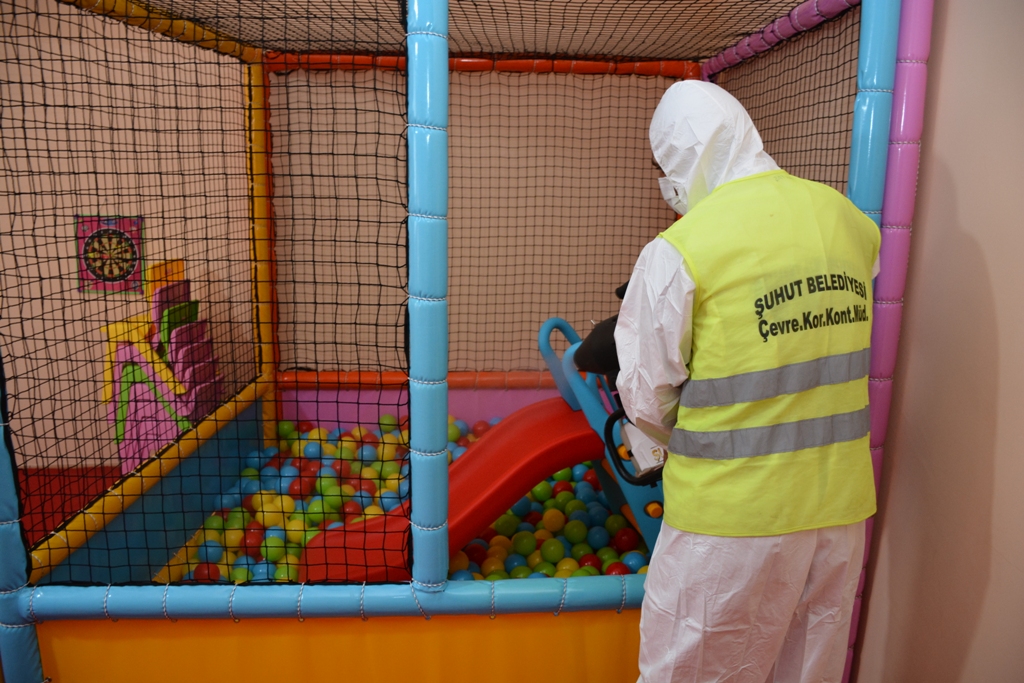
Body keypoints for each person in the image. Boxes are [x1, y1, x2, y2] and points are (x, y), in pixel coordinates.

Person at [615, 80, 881, 683]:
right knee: (805, 668)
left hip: (727, 521)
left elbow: (645, 398)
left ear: (681, 157)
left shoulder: (682, 249)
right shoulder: (848, 221)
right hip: (836, 511)